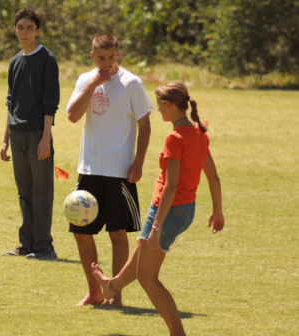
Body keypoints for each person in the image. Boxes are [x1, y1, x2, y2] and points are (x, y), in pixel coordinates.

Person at [91, 81, 225, 336]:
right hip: (185, 210)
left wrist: (157, 226)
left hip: (168, 212)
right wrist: (217, 211)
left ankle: (178, 333)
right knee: (141, 252)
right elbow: (213, 177)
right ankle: (111, 286)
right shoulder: (198, 132)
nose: (156, 109)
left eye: (159, 105)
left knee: (147, 278)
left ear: (170, 105)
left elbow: (171, 187)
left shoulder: (175, 138)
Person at [66, 33, 154, 306]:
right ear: (92, 56)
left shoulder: (132, 83)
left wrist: (138, 162)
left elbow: (145, 125)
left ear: (118, 55)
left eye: (111, 57)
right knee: (82, 233)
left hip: (119, 173)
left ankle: (114, 295)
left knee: (117, 234)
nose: (107, 63)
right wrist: (93, 84)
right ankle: (94, 292)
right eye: (101, 58)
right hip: (88, 171)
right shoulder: (84, 80)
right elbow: (72, 116)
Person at [0, 7, 60, 260]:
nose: (24, 32)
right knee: (24, 192)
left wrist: (45, 138)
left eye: (29, 28)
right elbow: (11, 102)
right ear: (15, 30)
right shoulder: (15, 61)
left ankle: (44, 247)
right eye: (20, 28)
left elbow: (50, 103)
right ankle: (27, 245)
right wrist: (4, 140)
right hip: (17, 135)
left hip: (37, 134)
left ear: (38, 31)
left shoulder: (47, 59)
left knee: (41, 192)